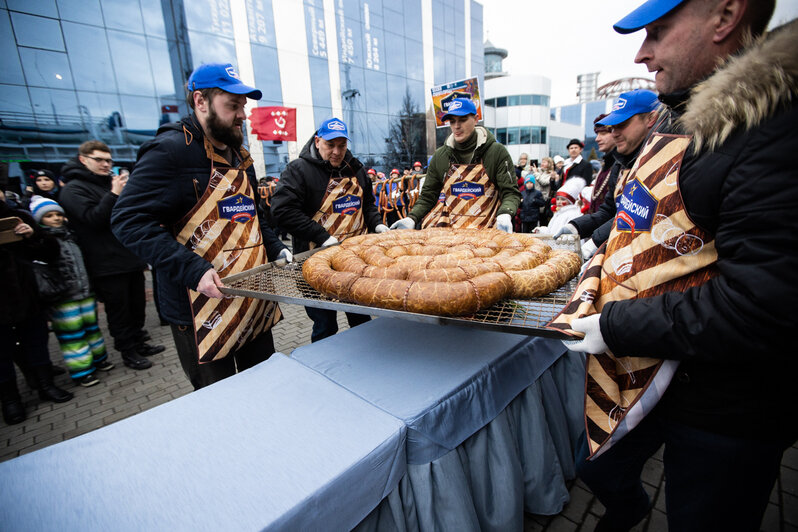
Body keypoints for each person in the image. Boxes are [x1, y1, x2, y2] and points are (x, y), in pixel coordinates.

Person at [551, 1, 796, 530]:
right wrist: (599, 254)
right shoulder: (685, 120)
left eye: (658, 33)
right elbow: (641, 225)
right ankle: (628, 509)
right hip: (659, 368)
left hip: (726, 407)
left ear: (726, 15)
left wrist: (614, 325)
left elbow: (760, 306)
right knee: (598, 467)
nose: (642, 54)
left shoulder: (774, 132)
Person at [112, 62, 290, 390]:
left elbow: (253, 213)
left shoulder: (241, 155)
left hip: (252, 295)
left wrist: (276, 246)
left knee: (266, 386)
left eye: (243, 107)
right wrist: (193, 269)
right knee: (218, 401)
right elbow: (128, 220)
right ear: (201, 101)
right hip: (201, 310)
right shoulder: (169, 151)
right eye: (232, 106)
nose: (242, 115)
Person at [270, 117, 387, 343]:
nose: (336, 151)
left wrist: (377, 224)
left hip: (355, 263)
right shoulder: (299, 170)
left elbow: (368, 204)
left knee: (361, 321)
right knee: (325, 326)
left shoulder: (356, 169)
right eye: (330, 145)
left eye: (342, 145)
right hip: (316, 264)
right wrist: (322, 237)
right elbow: (282, 211)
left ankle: (368, 365)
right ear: (317, 141)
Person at [60, 140, 163, 371]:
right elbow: (93, 219)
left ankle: (139, 341)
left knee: (137, 307)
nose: (105, 164)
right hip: (105, 263)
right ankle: (128, 351)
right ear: (83, 159)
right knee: (119, 311)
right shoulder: (73, 189)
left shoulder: (108, 184)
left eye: (108, 160)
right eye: (99, 160)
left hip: (129, 257)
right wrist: (115, 194)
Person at [554, 90, 660, 259]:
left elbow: (637, 214)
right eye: (612, 127)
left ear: (651, 119)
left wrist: (596, 240)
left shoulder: (661, 161)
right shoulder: (620, 164)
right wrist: (576, 226)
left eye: (622, 124)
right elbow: (609, 210)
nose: (614, 133)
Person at [390, 98, 521, 232]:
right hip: (453, 238)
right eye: (452, 121)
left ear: (476, 119)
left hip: (488, 236)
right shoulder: (441, 156)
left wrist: (505, 213)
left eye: (463, 119)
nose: (456, 126)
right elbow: (428, 195)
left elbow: (510, 193)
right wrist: (412, 217)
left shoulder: (495, 152)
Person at [1, 192, 72, 425]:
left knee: (36, 342)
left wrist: (32, 236)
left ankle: (46, 385)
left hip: (26, 295)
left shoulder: (18, 217)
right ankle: (10, 400)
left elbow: (50, 252)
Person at [29, 196, 112, 387]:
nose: (56, 219)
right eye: (49, 216)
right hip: (63, 298)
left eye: (58, 214)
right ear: (40, 220)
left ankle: (99, 360)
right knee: (72, 337)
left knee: (92, 330)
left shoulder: (71, 237)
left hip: (84, 293)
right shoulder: (41, 240)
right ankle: (82, 371)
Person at [587, 114, 616, 215]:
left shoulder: (621, 167)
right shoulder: (604, 167)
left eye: (603, 133)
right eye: (597, 134)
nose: (597, 139)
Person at [534, 156, 558, 226]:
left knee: (544, 221)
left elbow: (543, 182)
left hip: (545, 199)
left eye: (544, 162)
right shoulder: (540, 172)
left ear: (549, 164)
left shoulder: (551, 174)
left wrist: (536, 173)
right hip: (537, 199)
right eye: (542, 162)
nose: (542, 164)